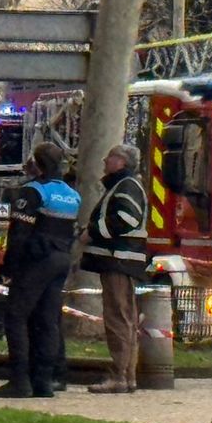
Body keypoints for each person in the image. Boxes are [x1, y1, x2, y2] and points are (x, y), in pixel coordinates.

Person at [0, 143, 80, 399]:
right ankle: (43, 381)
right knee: (48, 320)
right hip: (62, 259)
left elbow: (20, 234)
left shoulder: (32, 192)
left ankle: (19, 380)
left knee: (16, 316)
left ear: (37, 164)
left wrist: (7, 268)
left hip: (37, 260)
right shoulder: (71, 194)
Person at [81, 143, 148, 394]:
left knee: (118, 317)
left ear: (122, 161)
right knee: (127, 318)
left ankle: (119, 375)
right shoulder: (126, 185)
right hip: (123, 260)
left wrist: (92, 232)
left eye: (110, 157)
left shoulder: (126, 186)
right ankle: (127, 376)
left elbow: (126, 219)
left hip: (118, 259)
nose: (105, 161)